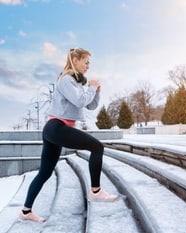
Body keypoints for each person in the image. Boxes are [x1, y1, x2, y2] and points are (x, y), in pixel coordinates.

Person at [19, 48, 118, 223]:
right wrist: (92, 88)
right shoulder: (66, 80)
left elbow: (90, 106)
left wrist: (96, 91)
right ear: (75, 59)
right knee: (97, 147)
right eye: (85, 62)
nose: (88, 66)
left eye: (89, 63)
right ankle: (95, 191)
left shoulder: (76, 83)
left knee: (45, 173)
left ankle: (25, 211)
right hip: (56, 127)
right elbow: (80, 100)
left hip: (55, 129)